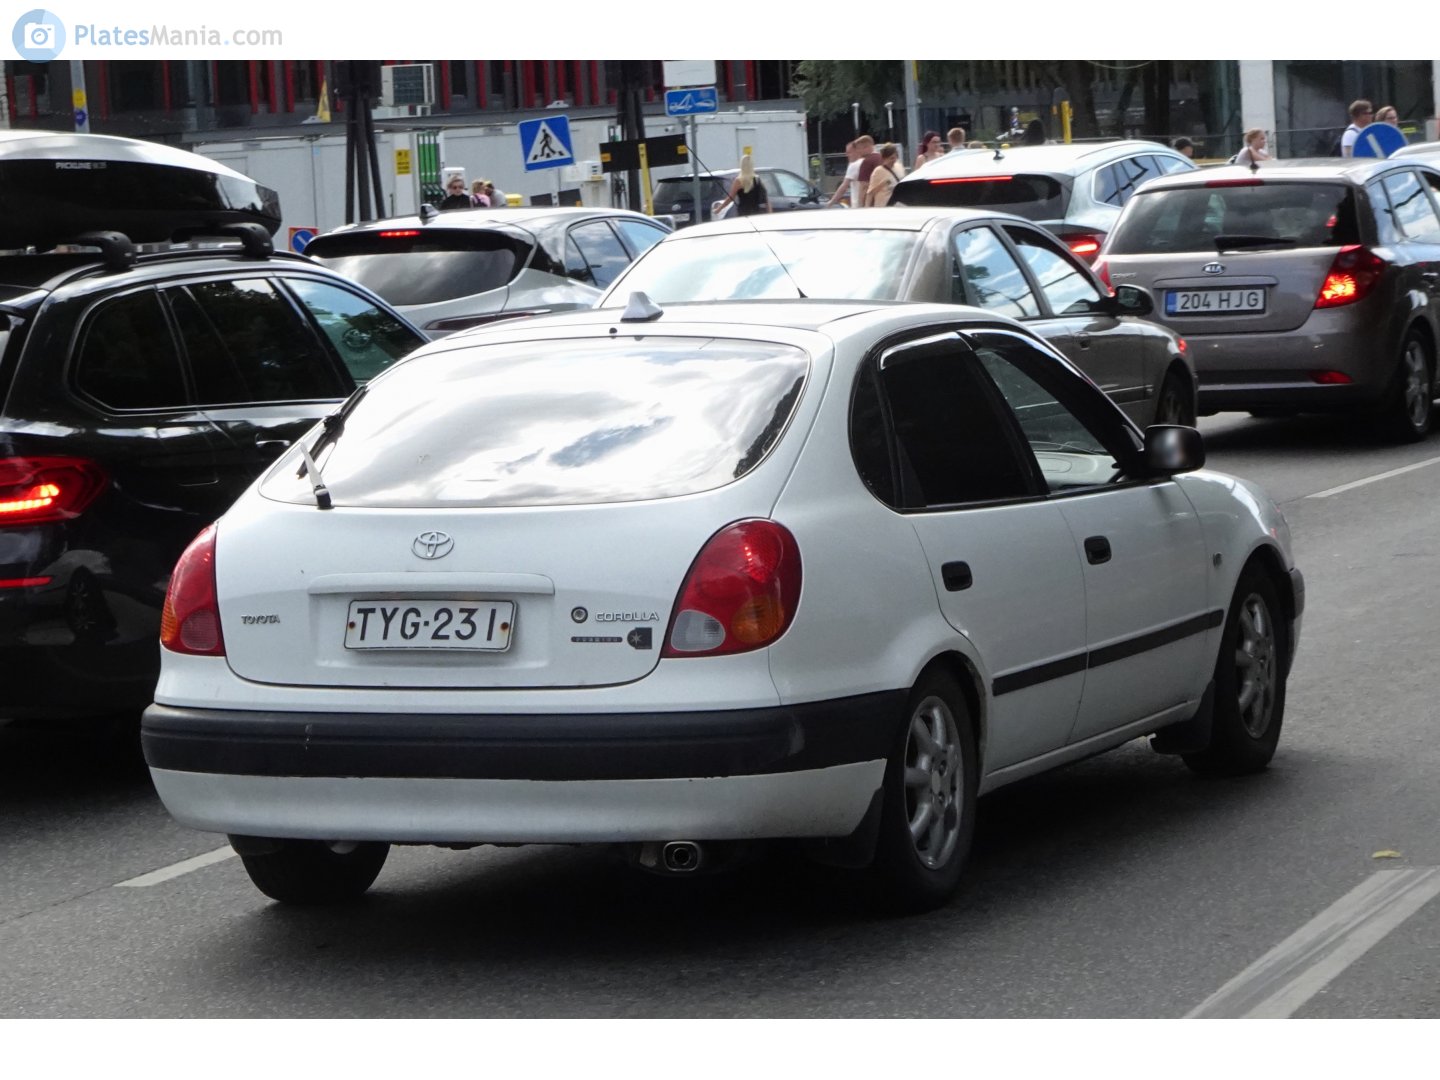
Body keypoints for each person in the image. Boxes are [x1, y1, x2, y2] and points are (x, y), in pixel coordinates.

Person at [865, 143, 905, 207]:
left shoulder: (899, 167)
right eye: (891, 158)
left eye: (895, 157)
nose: (893, 160)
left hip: (899, 206)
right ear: (884, 158)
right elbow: (870, 193)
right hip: (884, 208)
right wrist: (866, 209)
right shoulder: (878, 171)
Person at [826, 141, 862, 208]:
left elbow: (844, 186)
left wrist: (831, 202)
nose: (847, 155)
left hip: (858, 205)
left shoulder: (854, 165)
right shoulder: (865, 162)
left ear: (857, 151)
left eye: (849, 152)